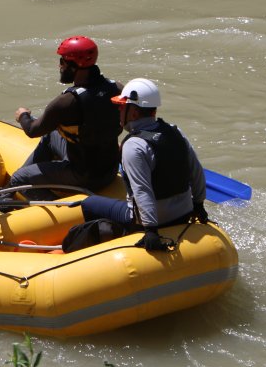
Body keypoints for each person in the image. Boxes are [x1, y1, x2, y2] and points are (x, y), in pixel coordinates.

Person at [79, 78, 208, 252]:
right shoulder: (175, 132)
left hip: (155, 221)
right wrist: (199, 204)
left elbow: (142, 190)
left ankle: (108, 244)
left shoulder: (134, 145)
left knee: (90, 204)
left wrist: (151, 230)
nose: (118, 109)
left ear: (133, 113)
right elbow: (197, 171)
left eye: (122, 106)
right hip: (185, 212)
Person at [9, 36, 123, 197]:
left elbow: (32, 130)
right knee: (51, 134)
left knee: (18, 179)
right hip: (109, 170)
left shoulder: (67, 102)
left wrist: (23, 115)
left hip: (84, 175)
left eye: (62, 62)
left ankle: (55, 206)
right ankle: (30, 175)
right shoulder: (117, 88)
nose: (59, 66)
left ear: (74, 66)